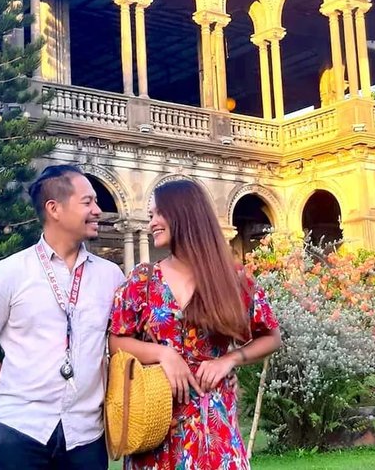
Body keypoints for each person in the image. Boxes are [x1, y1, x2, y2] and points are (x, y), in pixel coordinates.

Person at [0, 164, 125, 470]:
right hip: (22, 432)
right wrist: (17, 392)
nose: (98, 210)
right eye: (87, 202)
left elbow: (122, 345)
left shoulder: (111, 276)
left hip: (85, 435)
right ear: (54, 209)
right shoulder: (7, 273)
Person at [109, 179, 281, 470]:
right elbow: (116, 342)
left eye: (158, 214)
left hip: (215, 425)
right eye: (150, 216)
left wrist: (229, 360)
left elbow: (271, 336)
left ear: (183, 214)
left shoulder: (232, 279)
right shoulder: (143, 280)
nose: (152, 223)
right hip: (155, 421)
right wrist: (164, 354)